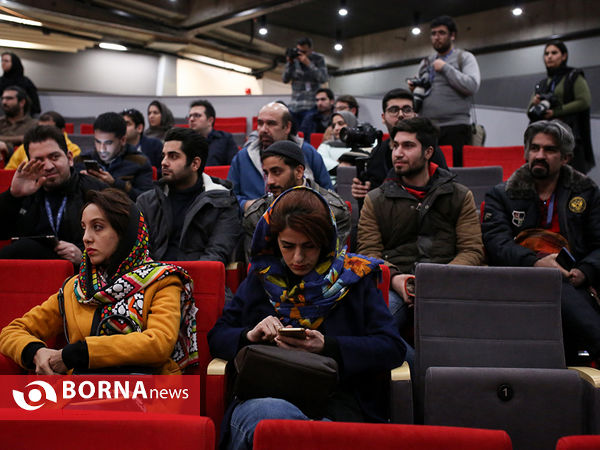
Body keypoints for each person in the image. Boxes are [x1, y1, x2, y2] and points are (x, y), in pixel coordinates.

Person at [208, 186, 406, 450]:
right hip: (267, 394)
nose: (298, 258)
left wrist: (328, 346)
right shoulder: (263, 278)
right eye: (287, 246)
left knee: (295, 430)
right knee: (273, 417)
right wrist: (249, 335)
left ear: (325, 243)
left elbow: (391, 347)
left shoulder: (354, 279)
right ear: (274, 240)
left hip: (337, 401)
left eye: (309, 247)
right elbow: (218, 336)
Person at [0, 188, 199, 375]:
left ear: (125, 233)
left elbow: (158, 344)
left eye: (98, 227)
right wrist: (36, 352)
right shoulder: (76, 288)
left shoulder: (161, 281)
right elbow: (12, 332)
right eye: (84, 228)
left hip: (148, 393)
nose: (86, 238)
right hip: (82, 394)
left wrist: (77, 354)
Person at [482, 120, 600, 364]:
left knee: (562, 288)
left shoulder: (586, 192)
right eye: (534, 148)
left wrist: (585, 271)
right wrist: (536, 263)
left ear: (566, 157)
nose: (539, 155)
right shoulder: (502, 194)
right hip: (520, 277)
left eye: (549, 150)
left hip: (574, 279)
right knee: (556, 286)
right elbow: (496, 244)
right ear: (526, 152)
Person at [358, 118, 484, 335]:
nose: (398, 153)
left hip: (448, 280)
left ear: (428, 152)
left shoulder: (459, 195)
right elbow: (368, 254)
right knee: (378, 327)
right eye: (395, 146)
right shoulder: (375, 199)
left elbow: (472, 250)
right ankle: (415, 366)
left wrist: (438, 279)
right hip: (396, 283)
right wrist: (396, 279)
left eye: (408, 146)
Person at [0, 125, 106, 264]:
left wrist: (84, 256)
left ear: (69, 158)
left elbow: (115, 242)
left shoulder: (95, 191)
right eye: (39, 160)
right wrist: (13, 196)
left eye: (54, 157)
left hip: (83, 275)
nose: (48, 166)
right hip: (29, 273)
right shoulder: (24, 192)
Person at [137, 127, 242, 263]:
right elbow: (140, 251)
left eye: (173, 156)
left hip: (198, 279)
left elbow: (216, 254)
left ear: (195, 164)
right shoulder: (147, 201)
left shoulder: (223, 202)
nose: (163, 162)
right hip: (152, 279)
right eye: (164, 156)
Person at [243, 140, 350, 261]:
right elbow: (258, 267)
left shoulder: (332, 210)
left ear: (299, 172)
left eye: (276, 172)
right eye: (266, 174)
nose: (269, 182)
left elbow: (333, 263)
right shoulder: (258, 214)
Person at [228, 101, 332, 211]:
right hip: (255, 220)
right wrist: (246, 205)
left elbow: (329, 194)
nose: (263, 129)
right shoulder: (243, 157)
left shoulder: (308, 152)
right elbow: (229, 198)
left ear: (287, 127)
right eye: (260, 123)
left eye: (271, 123)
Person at [351, 88, 448, 202]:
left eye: (407, 109)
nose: (401, 115)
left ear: (415, 114)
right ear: (383, 117)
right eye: (394, 110)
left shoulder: (429, 150)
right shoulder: (377, 153)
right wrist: (363, 192)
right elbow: (375, 194)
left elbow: (445, 188)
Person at [408, 16, 480, 167]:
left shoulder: (464, 57)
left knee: (455, 173)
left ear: (452, 35)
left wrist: (446, 68)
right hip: (428, 127)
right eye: (433, 34)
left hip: (456, 127)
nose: (436, 37)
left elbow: (472, 86)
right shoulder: (425, 62)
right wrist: (415, 88)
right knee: (427, 172)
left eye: (441, 33)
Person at [527, 40, 594, 174]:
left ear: (564, 56)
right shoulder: (542, 83)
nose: (549, 56)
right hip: (544, 139)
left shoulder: (573, 76)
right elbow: (529, 110)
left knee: (572, 181)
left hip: (569, 139)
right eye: (546, 54)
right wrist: (535, 103)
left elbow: (584, 101)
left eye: (554, 53)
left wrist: (556, 112)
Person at [74, 112, 153, 201]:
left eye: (108, 143)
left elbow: (147, 201)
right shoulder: (81, 160)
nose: (101, 149)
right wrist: (82, 182)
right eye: (98, 142)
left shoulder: (140, 161)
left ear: (122, 140)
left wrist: (115, 184)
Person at [6, 110, 82, 170]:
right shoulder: (25, 147)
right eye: (39, 128)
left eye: (55, 157)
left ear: (62, 131)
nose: (42, 132)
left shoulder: (74, 149)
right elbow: (9, 171)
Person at [282, 37, 329, 126]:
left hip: (311, 106)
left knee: (306, 132)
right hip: (294, 105)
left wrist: (309, 64)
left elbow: (323, 78)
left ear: (311, 50)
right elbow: (285, 79)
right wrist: (290, 63)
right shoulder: (294, 58)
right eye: (299, 50)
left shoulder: (318, 59)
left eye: (304, 52)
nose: (300, 54)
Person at [187, 99, 238, 166]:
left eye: (197, 115)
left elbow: (234, 167)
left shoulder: (225, 139)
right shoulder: (184, 141)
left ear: (210, 120)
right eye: (190, 116)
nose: (191, 119)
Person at [316, 110, 360, 182]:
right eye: (333, 125)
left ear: (351, 124)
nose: (336, 128)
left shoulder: (364, 144)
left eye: (340, 123)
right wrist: (341, 167)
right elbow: (321, 161)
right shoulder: (326, 145)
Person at [121, 108, 163, 177]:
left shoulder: (155, 145)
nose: (123, 127)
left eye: (127, 124)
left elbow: (163, 171)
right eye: (121, 124)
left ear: (139, 128)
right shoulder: (117, 147)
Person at [0, 85, 37, 161]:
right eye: (3, 98)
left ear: (22, 102)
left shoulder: (34, 124)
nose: (4, 102)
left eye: (9, 98)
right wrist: (19, 138)